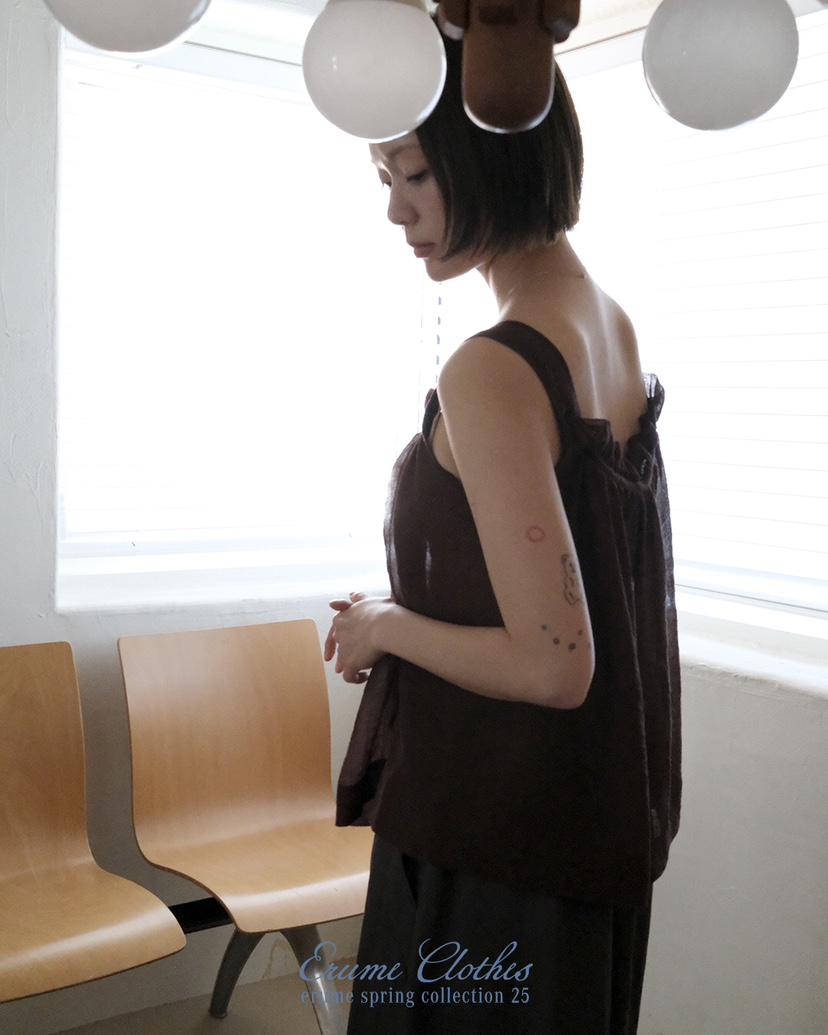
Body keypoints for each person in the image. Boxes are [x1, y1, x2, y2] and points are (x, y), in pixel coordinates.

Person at [324, 31, 681, 1035]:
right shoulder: (607, 324)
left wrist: (388, 625)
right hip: (583, 823)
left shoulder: (492, 366)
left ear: (495, 154)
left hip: (494, 836)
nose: (396, 211)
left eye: (416, 175)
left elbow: (555, 662)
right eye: (385, 179)